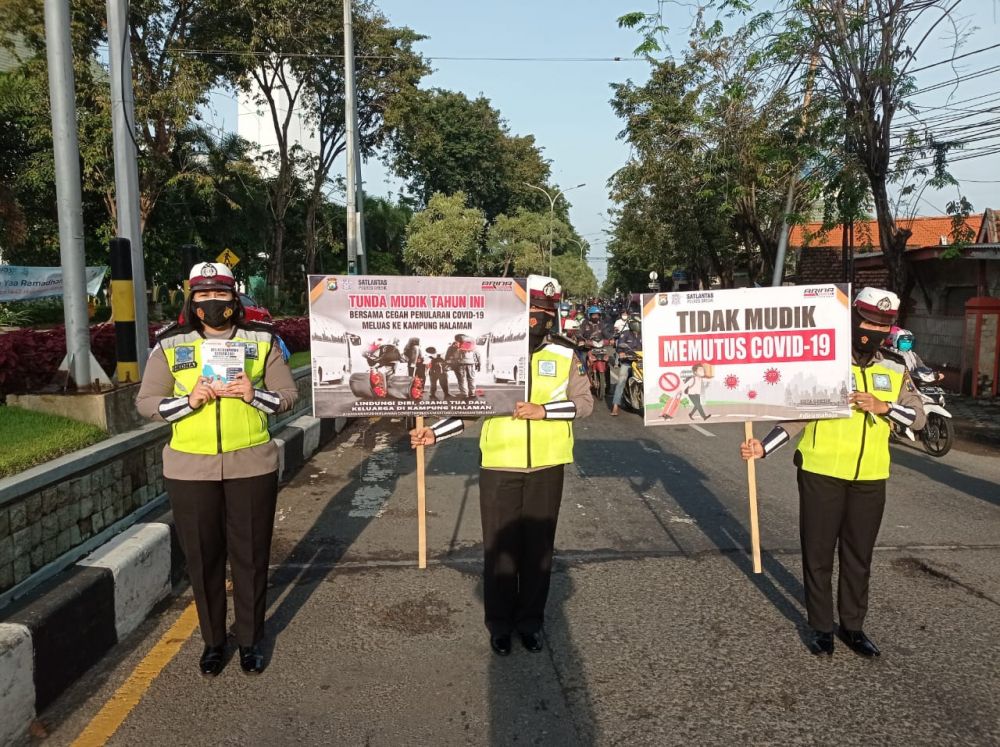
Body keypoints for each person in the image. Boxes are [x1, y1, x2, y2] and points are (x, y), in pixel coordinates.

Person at [409, 276, 594, 656]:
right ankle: (499, 624)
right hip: (499, 464)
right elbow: (472, 411)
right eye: (531, 311)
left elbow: (585, 403)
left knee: (538, 550)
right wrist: (434, 434)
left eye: (544, 313)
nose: (536, 319)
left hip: (547, 465)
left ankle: (530, 623)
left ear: (552, 316)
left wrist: (545, 411)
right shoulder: (491, 352)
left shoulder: (564, 355)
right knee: (499, 548)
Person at [739, 287, 925, 658]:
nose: (874, 329)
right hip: (820, 471)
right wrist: (764, 447)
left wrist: (884, 407)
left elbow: (918, 417)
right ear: (854, 320)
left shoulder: (894, 366)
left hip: (870, 477)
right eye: (868, 321)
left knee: (859, 556)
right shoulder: (826, 364)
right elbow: (798, 416)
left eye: (883, 324)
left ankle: (853, 628)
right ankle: (821, 627)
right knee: (819, 553)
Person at [136, 262, 297, 677]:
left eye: (221, 294)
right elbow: (146, 403)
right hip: (189, 468)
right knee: (203, 558)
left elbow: (287, 396)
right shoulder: (169, 345)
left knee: (250, 555)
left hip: (251, 464)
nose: (212, 303)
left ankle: (249, 641)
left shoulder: (262, 341)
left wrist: (253, 393)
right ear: (191, 300)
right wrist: (187, 402)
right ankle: (213, 643)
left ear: (235, 298)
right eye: (203, 296)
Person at [610, 318, 642, 416]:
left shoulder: (644, 333)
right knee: (621, 381)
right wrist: (622, 352)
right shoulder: (625, 334)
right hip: (627, 361)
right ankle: (615, 405)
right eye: (637, 323)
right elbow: (620, 346)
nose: (638, 325)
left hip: (640, 361)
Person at [449, 333, 479, 399]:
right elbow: (477, 354)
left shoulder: (454, 346)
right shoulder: (472, 345)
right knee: (471, 379)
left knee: (462, 379)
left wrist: (450, 364)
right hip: (471, 363)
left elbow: (449, 356)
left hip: (460, 364)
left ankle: (464, 394)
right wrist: (479, 364)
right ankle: (472, 393)